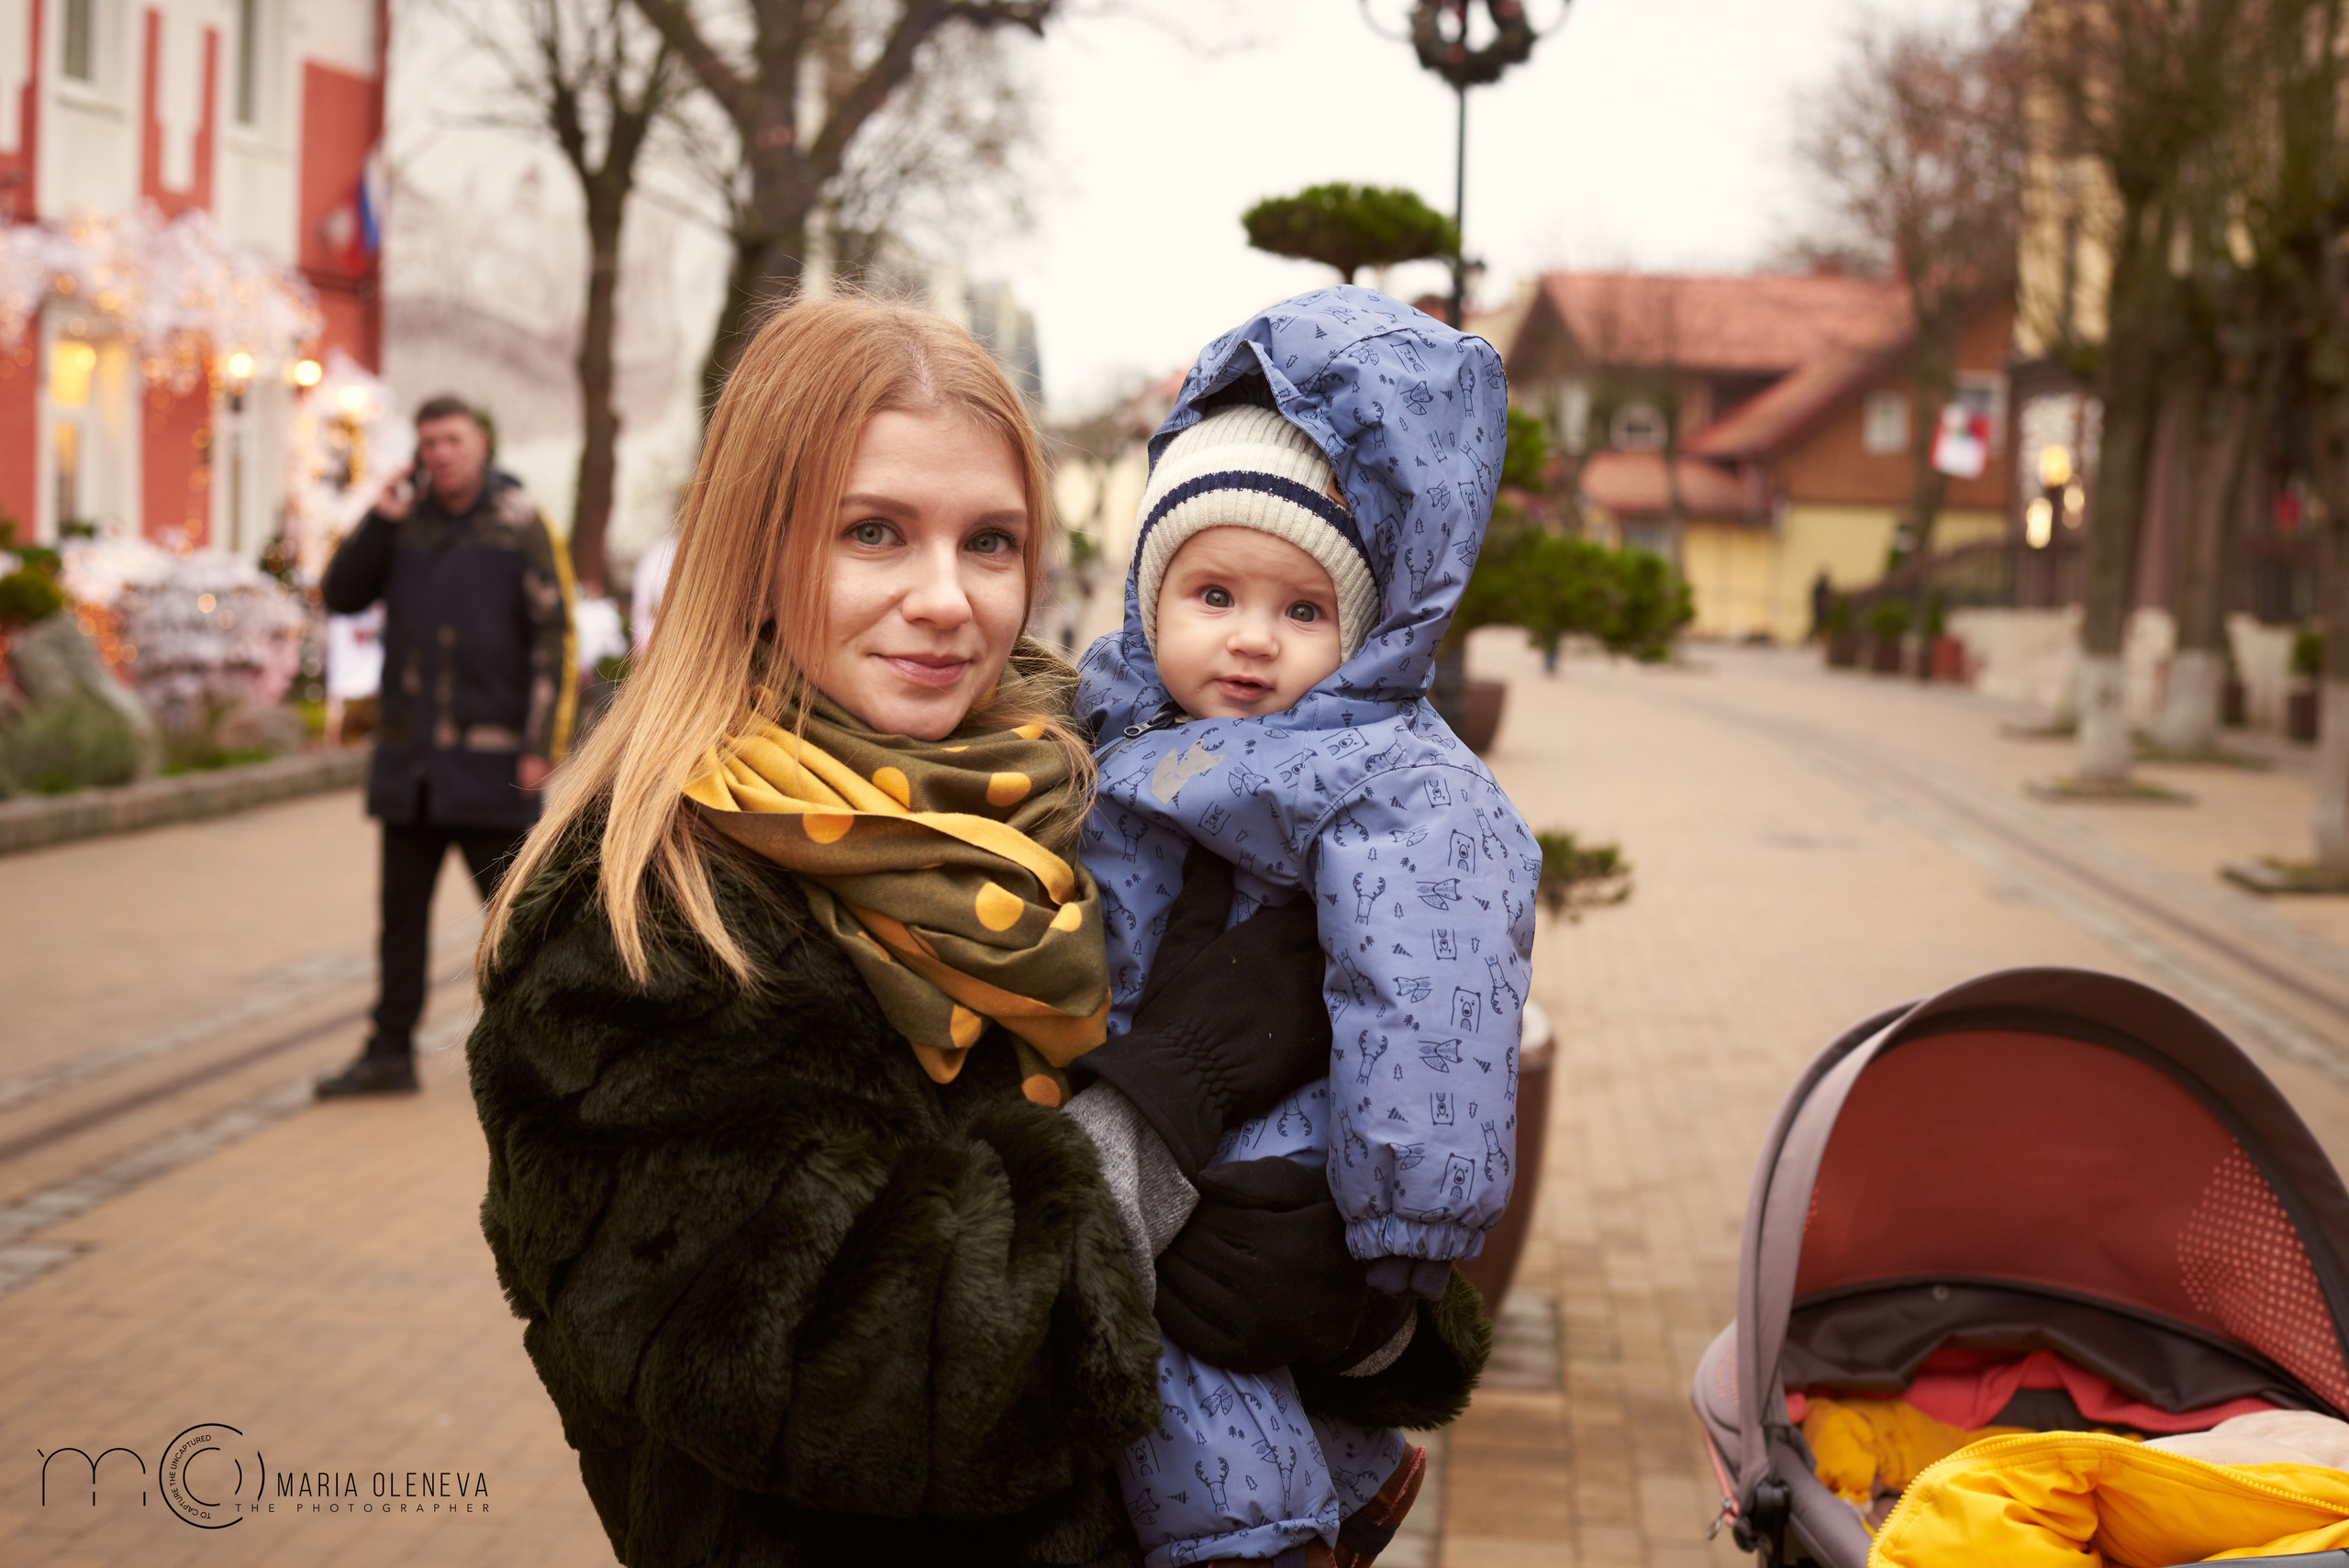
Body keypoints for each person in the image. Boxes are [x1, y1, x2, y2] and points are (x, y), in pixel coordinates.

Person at [463, 298, 1463, 1566]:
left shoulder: (1111, 789)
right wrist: (1170, 1096)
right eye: (872, 533)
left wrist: (1357, 1308)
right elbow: (862, 1380)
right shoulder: (641, 923)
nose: (945, 600)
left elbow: (1368, 1162)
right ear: (754, 548)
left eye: (989, 542)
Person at [1074, 290, 1533, 1567]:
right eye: (1212, 592)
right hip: (1161, 1090)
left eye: (1302, 611)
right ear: (1148, 596)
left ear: (1364, 629)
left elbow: (1437, 994)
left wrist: (1400, 1232)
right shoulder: (1116, 726)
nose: (1250, 643)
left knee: (1187, 1349)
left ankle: (1258, 1537)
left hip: (1299, 1138)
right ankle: (1353, 1478)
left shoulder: (1389, 777)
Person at [316, 395, 576, 1096]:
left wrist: (541, 741)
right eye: (429, 442)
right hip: (411, 768)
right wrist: (380, 516)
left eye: (453, 439)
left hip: (491, 765)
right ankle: (389, 1052)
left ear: (481, 443)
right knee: (399, 921)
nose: (440, 453)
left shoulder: (519, 523)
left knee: (518, 922)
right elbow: (340, 594)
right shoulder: (405, 526)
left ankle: (545, 1056)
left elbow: (555, 634)